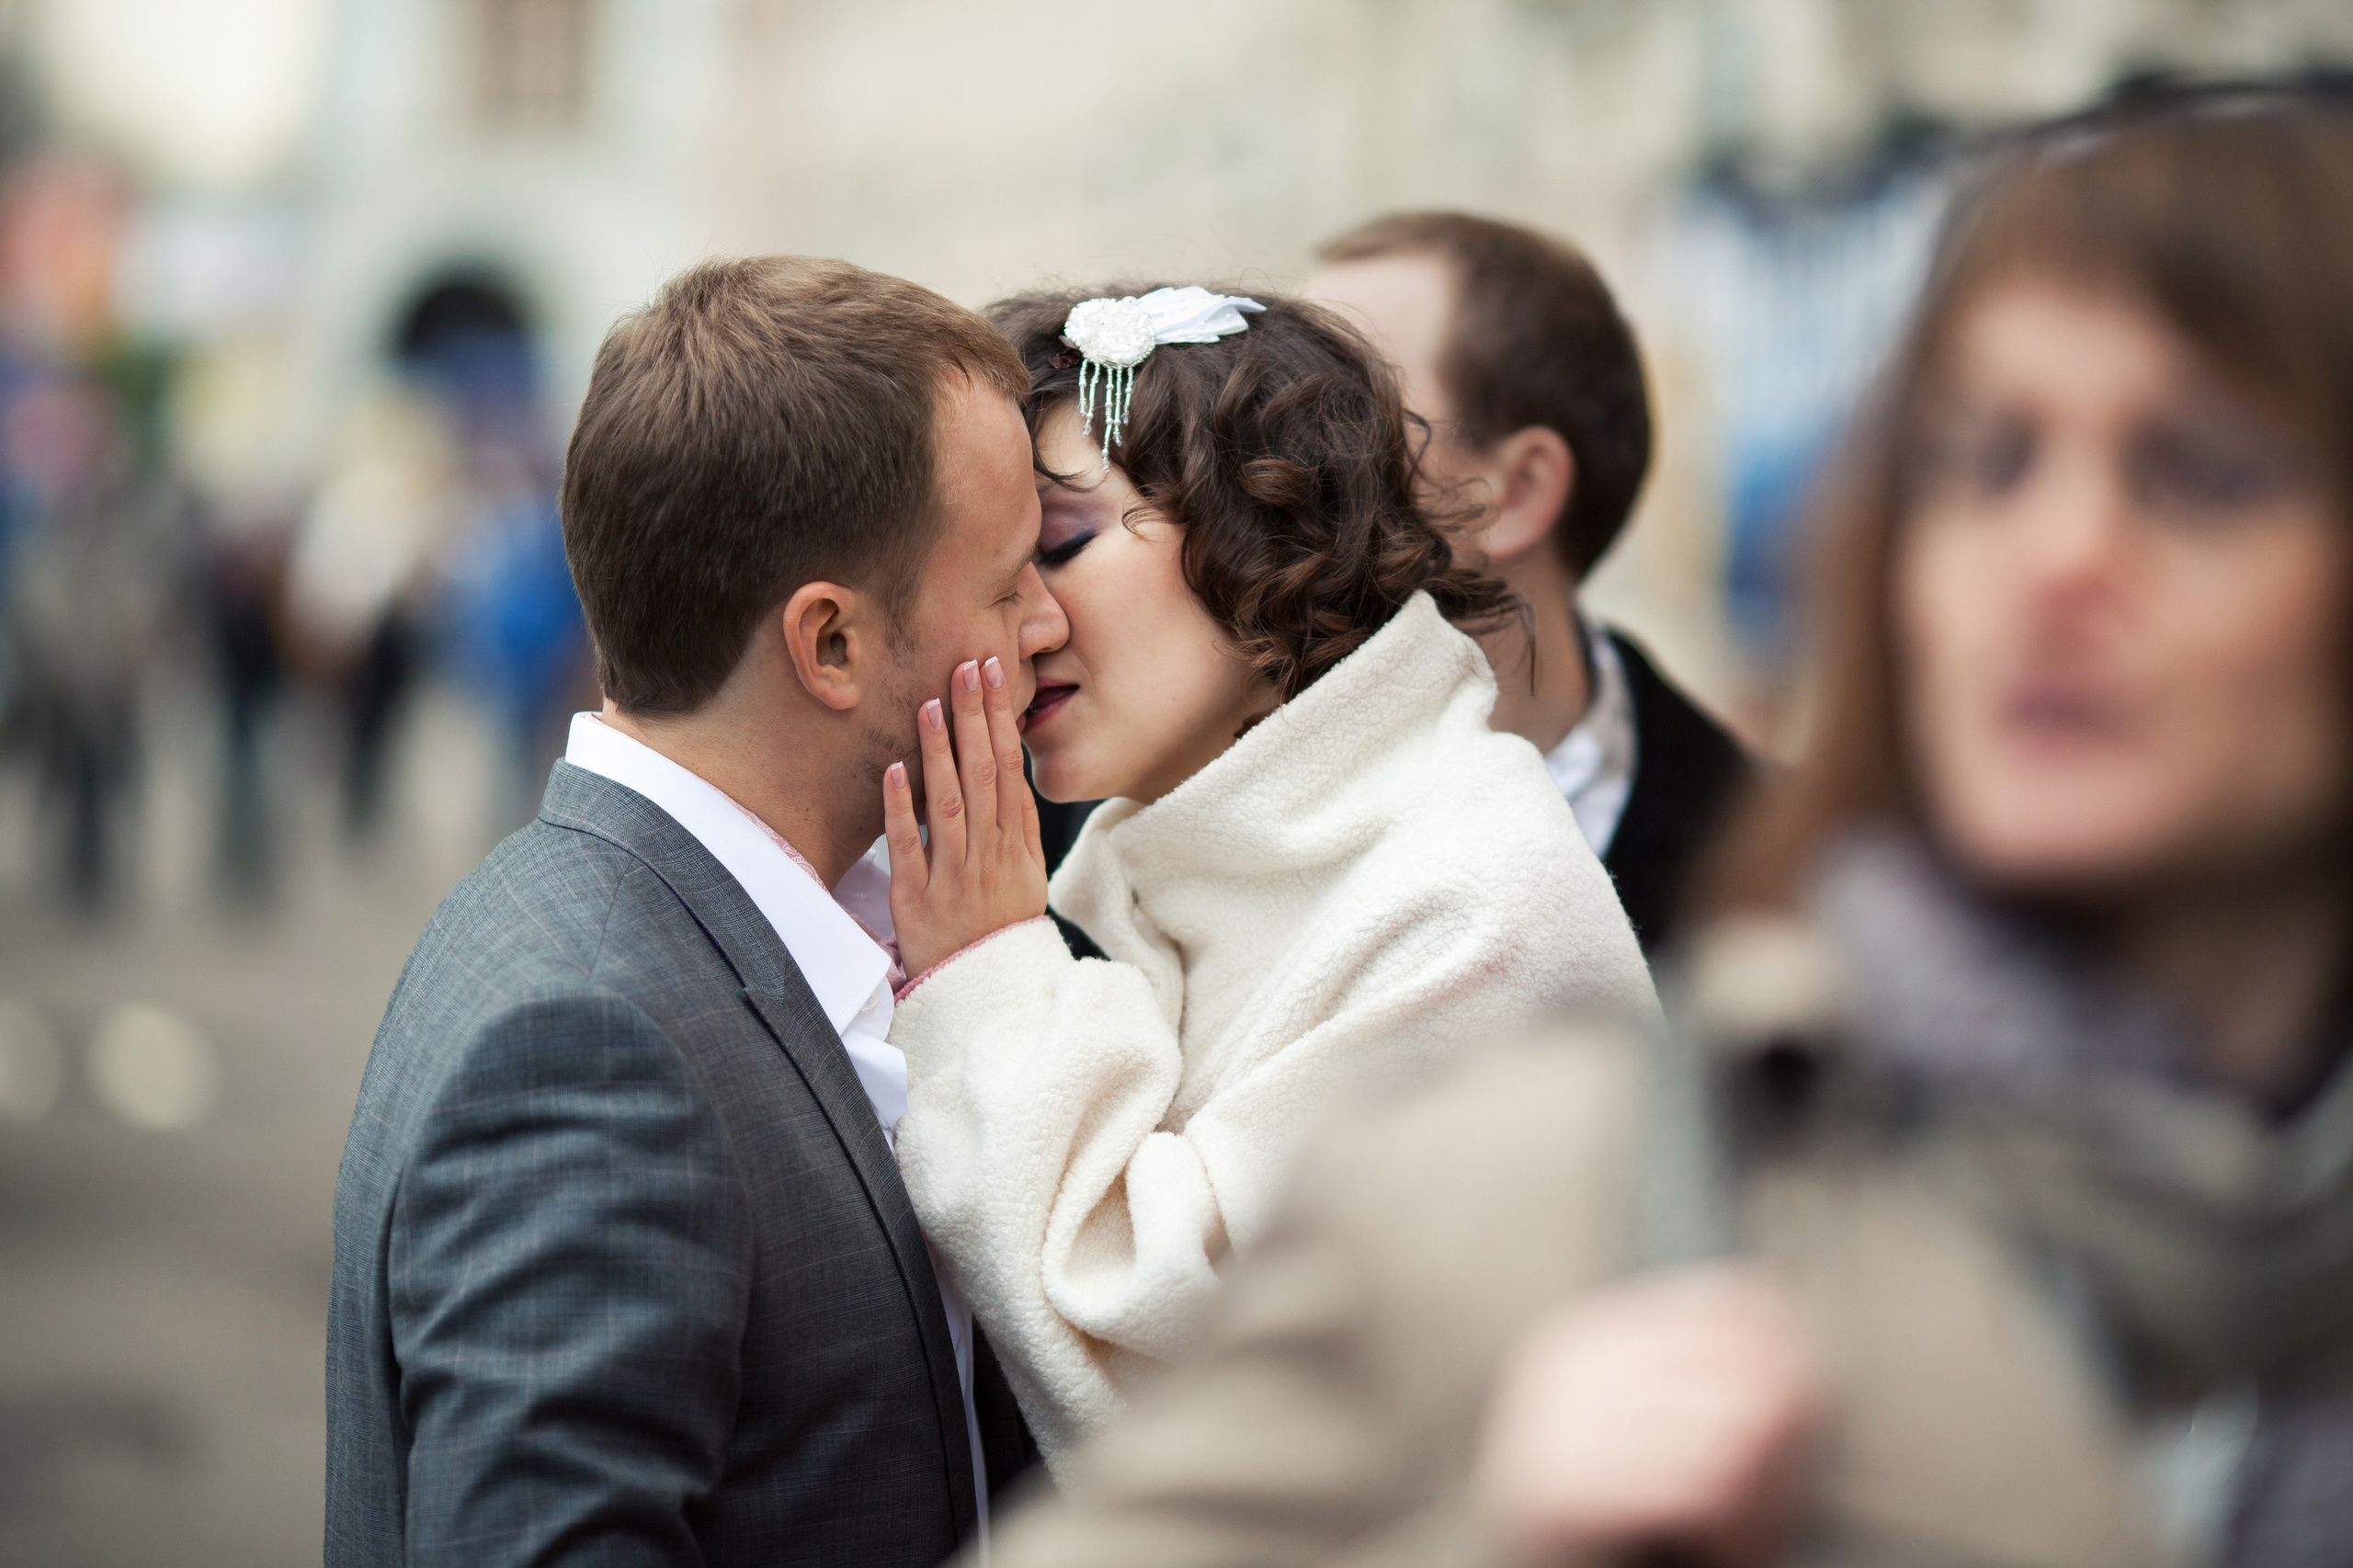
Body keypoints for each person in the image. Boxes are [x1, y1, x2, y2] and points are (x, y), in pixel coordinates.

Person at [971, 87, 2353, 1568]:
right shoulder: (1613, 1152)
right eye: (1985, 463)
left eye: (2204, 471)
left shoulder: (1483, 910)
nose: (2061, 557)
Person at [325, 256, 1066, 1567]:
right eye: (1008, 585)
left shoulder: (777, 925)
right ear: (829, 643)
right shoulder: (588, 1044)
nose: (1051, 622)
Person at [878, 286, 1659, 1466]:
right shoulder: (1134, 861)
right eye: (989, 571)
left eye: (1058, 544)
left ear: (1259, 532)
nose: (1020, 623)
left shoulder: (1474, 893)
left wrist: (986, 981)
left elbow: (1192, 1379)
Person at [1304, 212, 1754, 953]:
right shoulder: (1111, 825)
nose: (1261, 461)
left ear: (1514, 492)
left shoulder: (1781, 873)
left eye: (1335, 413)